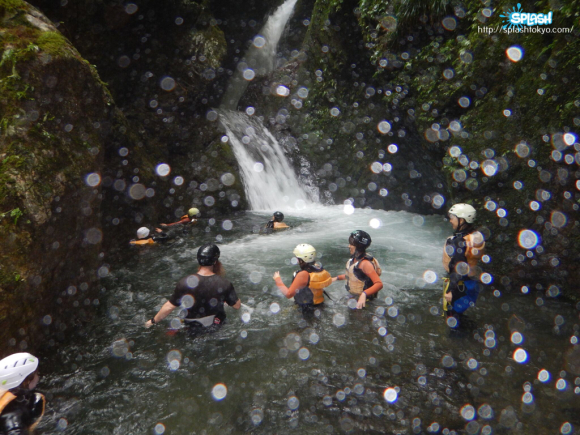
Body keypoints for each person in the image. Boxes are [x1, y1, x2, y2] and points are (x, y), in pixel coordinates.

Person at [145, 243, 241, 331]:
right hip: (215, 327)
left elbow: (169, 307)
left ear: (198, 260)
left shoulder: (184, 283)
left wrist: (152, 321)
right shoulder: (224, 284)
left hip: (192, 328)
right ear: (215, 261)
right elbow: (237, 306)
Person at [442, 203, 485, 326]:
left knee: (452, 317)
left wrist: (450, 290)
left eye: (452, 217)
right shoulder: (474, 236)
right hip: (471, 284)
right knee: (460, 314)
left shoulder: (460, 242)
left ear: (462, 220)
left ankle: (455, 341)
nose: (450, 220)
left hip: (460, 286)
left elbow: (460, 267)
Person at [333, 230, 383, 309]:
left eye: (351, 244)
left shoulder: (365, 264)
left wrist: (364, 294)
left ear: (358, 247)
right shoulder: (354, 260)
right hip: (355, 297)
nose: (349, 246)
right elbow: (353, 276)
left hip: (365, 302)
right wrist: (336, 278)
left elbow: (379, 284)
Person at [273, 244, 332, 309]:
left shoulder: (303, 274)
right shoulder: (318, 267)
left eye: (297, 258)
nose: (297, 261)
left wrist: (277, 279)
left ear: (301, 260)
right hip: (320, 306)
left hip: (307, 309)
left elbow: (288, 294)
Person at [0, 353, 45, 434]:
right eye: (36, 374)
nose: (38, 377)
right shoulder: (12, 414)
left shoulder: (18, 399)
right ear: (27, 381)